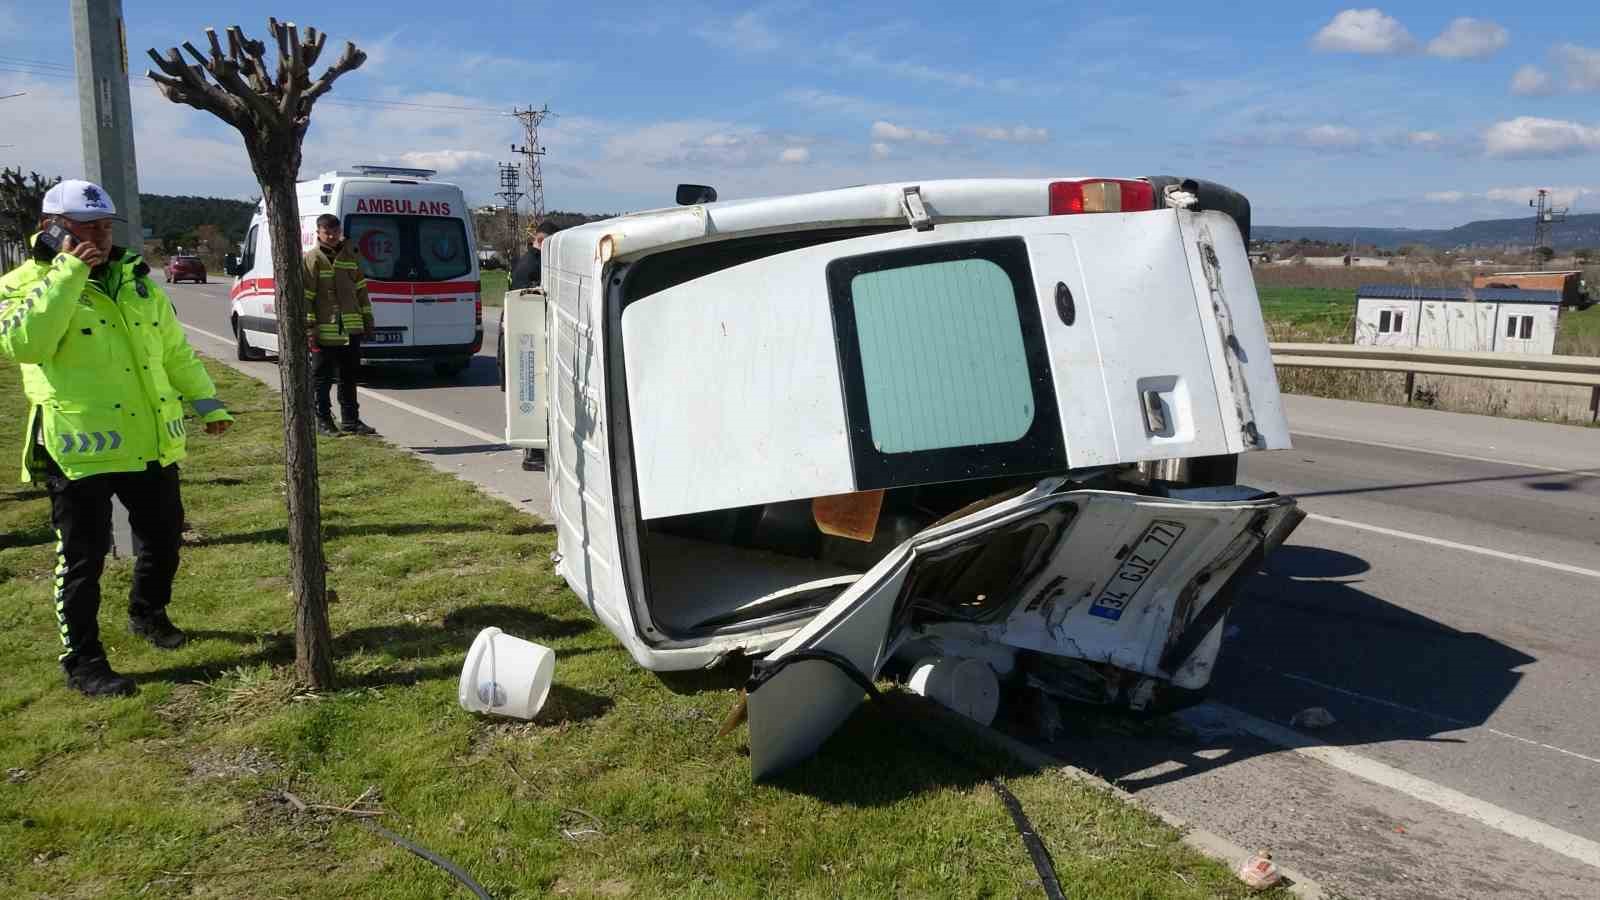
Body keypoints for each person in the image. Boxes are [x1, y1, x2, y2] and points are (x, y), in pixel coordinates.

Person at [0, 179, 234, 697]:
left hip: (147, 440)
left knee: (166, 537)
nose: (102, 238)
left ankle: (148, 614)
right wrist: (68, 272)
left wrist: (206, 400)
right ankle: (82, 660)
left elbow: (173, 349)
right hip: (79, 448)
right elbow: (24, 343)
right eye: (89, 228)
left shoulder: (136, 279)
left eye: (106, 227)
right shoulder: (22, 283)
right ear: (51, 227)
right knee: (83, 560)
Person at [304, 214, 377, 436]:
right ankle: (323, 420)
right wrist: (310, 327)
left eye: (335, 231)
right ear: (318, 233)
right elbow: (306, 296)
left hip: (351, 329)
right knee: (322, 378)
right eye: (327, 232)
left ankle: (351, 421)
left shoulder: (350, 255)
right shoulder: (312, 258)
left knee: (349, 376)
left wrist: (368, 320)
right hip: (325, 331)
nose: (332, 236)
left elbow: (361, 291)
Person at [506, 221, 558, 470]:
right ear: (543, 240)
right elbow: (525, 303)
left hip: (530, 340)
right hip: (530, 341)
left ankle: (535, 451)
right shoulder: (532, 265)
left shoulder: (531, 261)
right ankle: (534, 454)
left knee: (536, 395)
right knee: (535, 396)